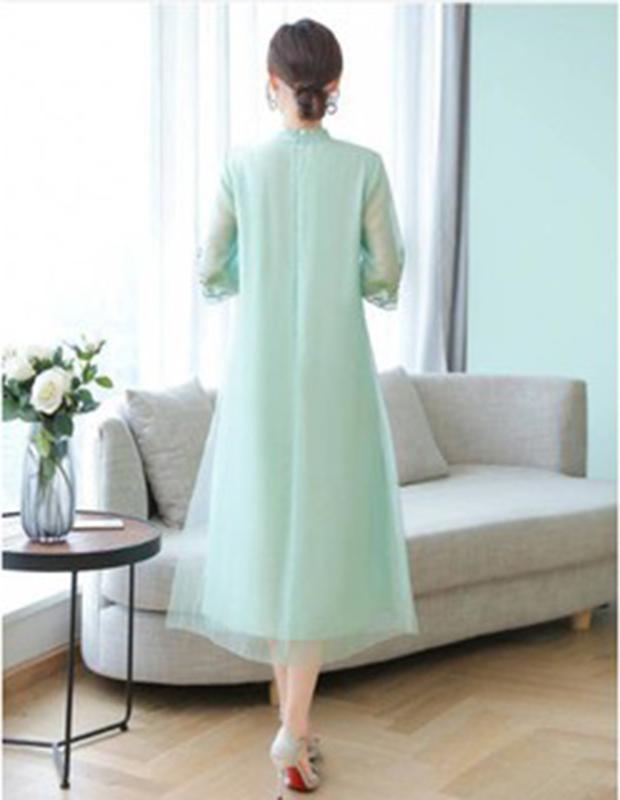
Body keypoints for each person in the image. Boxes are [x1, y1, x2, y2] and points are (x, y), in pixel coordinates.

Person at [165, 17, 420, 797]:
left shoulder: (241, 167)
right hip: (335, 376)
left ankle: (295, 729)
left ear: (272, 83)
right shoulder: (364, 167)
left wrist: (265, 269)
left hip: (262, 377)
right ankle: (293, 732)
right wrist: (334, 271)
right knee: (319, 547)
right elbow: (385, 274)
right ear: (334, 86)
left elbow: (211, 268)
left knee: (275, 544)